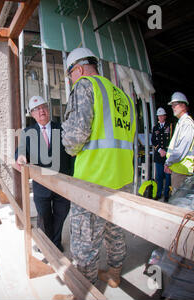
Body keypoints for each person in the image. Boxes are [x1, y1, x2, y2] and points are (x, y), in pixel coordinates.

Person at [61, 48, 136, 287]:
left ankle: (85, 290)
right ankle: (114, 273)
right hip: (122, 179)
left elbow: (74, 138)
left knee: (84, 243)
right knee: (115, 232)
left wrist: (68, 148)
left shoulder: (85, 85)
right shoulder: (122, 96)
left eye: (70, 75)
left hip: (93, 181)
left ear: (79, 69)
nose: (71, 80)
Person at [15, 95, 73, 252]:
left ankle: (52, 243)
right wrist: (20, 157)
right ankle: (51, 246)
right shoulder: (28, 133)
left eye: (43, 107)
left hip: (62, 182)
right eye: (36, 109)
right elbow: (20, 151)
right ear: (32, 114)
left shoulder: (62, 129)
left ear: (48, 109)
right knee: (45, 216)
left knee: (61, 214)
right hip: (41, 185)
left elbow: (71, 154)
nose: (41, 111)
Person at [164, 92, 194, 193]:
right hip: (178, 169)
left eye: (175, 105)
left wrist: (168, 163)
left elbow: (179, 151)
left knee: (179, 203)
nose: (173, 107)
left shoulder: (186, 124)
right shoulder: (181, 123)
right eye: (172, 105)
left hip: (182, 171)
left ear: (183, 105)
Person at [151, 107, 172, 202]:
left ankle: (166, 194)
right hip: (159, 155)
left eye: (162, 115)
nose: (160, 117)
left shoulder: (170, 126)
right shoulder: (155, 127)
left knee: (168, 176)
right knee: (159, 176)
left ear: (165, 116)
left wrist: (167, 152)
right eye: (158, 116)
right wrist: (160, 150)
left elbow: (172, 140)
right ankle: (159, 194)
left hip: (168, 156)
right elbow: (153, 140)